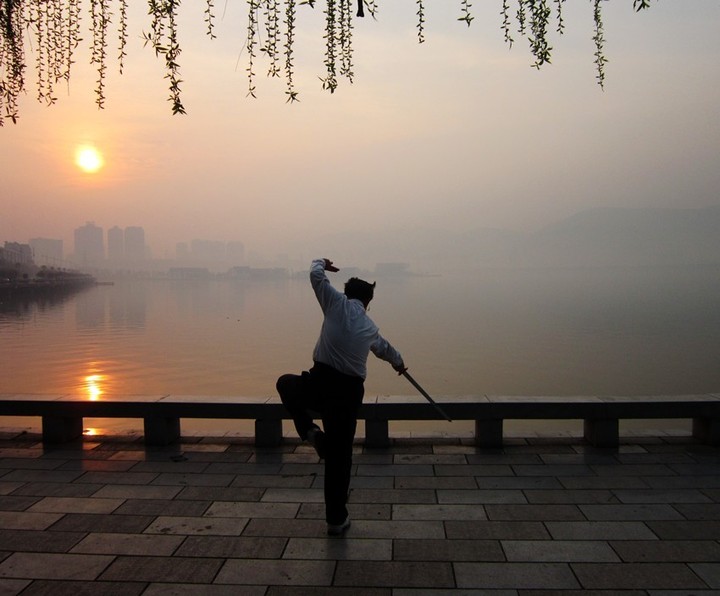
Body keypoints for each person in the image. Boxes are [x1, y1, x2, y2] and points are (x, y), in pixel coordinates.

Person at [276, 258, 406, 536]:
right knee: (341, 457)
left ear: (347, 294)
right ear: (368, 301)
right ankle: (336, 520)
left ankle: (311, 433)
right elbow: (385, 349)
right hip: (347, 395)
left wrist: (321, 262)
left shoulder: (334, 303)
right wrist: (399, 364)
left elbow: (314, 275)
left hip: (319, 385)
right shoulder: (370, 327)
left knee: (285, 384)